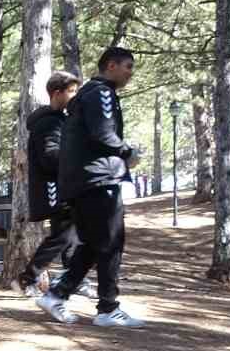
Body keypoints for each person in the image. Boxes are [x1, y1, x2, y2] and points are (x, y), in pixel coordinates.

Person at [37, 47, 145, 329]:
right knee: (111, 242)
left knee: (97, 244)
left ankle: (57, 295)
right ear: (111, 65)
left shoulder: (86, 97)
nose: (130, 73)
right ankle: (107, 308)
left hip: (82, 182)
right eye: (128, 67)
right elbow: (103, 132)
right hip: (98, 180)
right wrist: (127, 152)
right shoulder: (102, 92)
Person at [17, 71, 83, 295]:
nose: (75, 96)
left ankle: (72, 279)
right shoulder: (49, 123)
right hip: (54, 188)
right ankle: (28, 278)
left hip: (63, 187)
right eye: (71, 91)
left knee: (70, 235)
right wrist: (78, 159)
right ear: (57, 93)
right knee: (63, 236)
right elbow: (49, 156)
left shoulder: (58, 120)